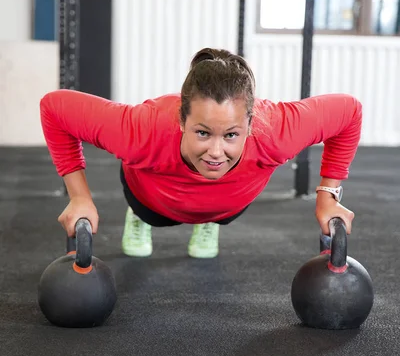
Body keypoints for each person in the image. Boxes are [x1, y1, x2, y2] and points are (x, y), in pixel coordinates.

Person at [40, 47, 360, 259]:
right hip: (152, 202)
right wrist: (78, 195)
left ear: (250, 124)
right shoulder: (142, 129)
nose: (216, 153)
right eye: (203, 133)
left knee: (219, 212)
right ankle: (139, 218)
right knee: (150, 214)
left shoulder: (275, 130)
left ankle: (207, 222)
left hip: (226, 208)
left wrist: (327, 196)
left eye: (232, 134)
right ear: (182, 120)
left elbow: (349, 113)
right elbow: (54, 108)